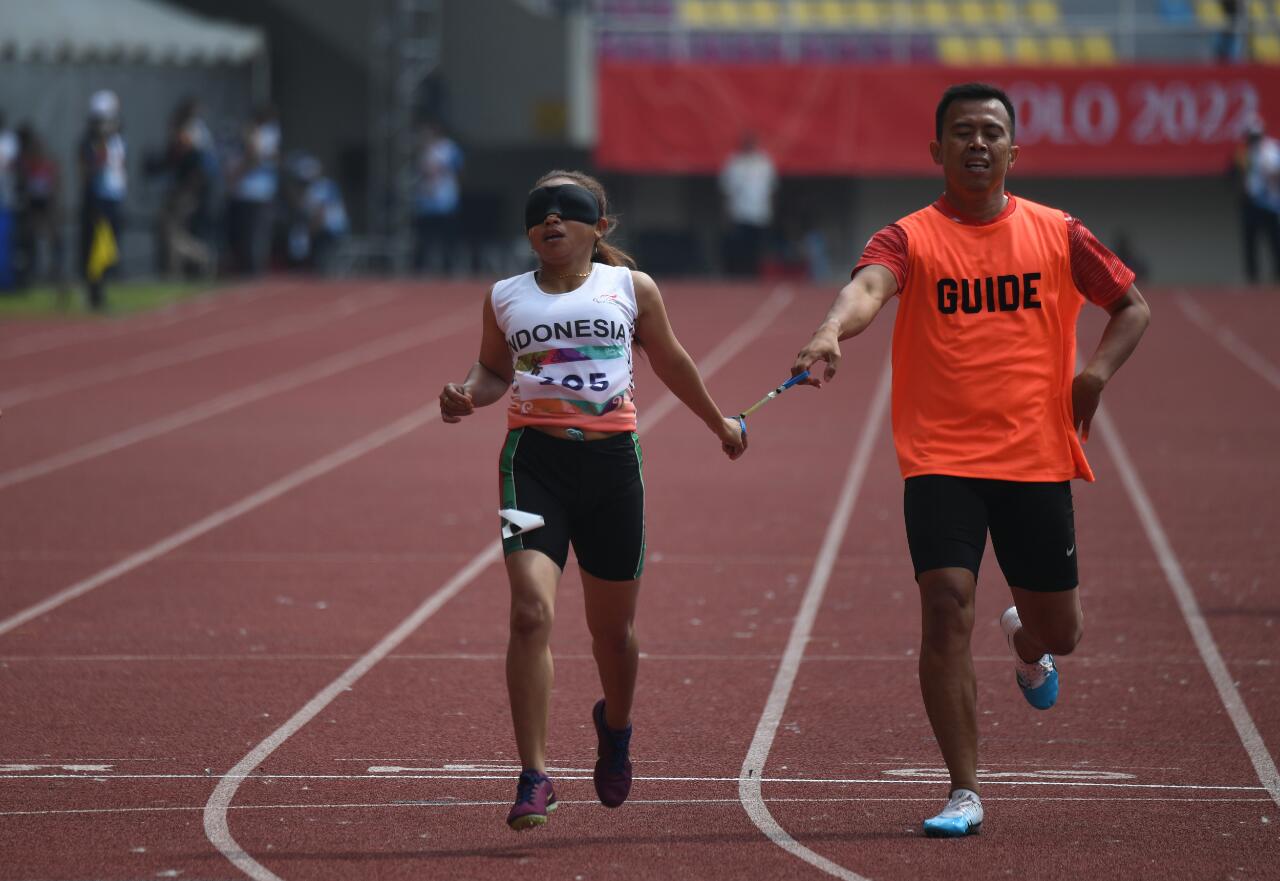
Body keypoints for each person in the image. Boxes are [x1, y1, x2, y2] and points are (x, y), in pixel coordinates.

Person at [791, 83, 1150, 838]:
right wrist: (830, 330)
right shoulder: (910, 236)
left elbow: (1132, 306)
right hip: (940, 457)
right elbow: (867, 287)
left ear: (1014, 150)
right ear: (937, 151)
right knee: (945, 604)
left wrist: (1094, 375)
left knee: (1064, 630)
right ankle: (963, 788)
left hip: (1035, 455)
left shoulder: (1058, 232)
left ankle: (1027, 642)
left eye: (991, 131)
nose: (977, 143)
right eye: (962, 132)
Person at [439, 170, 747, 831]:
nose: (551, 218)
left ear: (599, 227)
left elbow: (669, 359)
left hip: (612, 468)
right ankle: (534, 773)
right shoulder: (505, 296)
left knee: (614, 634)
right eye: (538, 209)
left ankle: (615, 727)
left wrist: (718, 420)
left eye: (568, 208)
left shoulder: (630, 289)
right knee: (529, 613)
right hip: (533, 465)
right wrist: (467, 393)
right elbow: (494, 371)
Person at [78, 90, 127, 311]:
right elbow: (86, 172)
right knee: (96, 247)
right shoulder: (90, 144)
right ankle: (94, 293)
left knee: (109, 248)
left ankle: (101, 289)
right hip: (97, 200)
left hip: (113, 199)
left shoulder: (117, 141)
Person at [719, 131, 776, 277]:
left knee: (757, 248)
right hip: (740, 212)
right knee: (739, 247)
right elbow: (727, 191)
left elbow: (770, 189)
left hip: (759, 213)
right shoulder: (734, 163)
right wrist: (727, 213)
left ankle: (755, 275)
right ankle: (738, 274)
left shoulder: (764, 162)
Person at [411, 120, 464, 274]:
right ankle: (419, 269)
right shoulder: (423, 149)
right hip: (425, 201)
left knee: (447, 239)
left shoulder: (447, 148)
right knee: (423, 238)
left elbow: (457, 167)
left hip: (445, 200)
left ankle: (449, 268)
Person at [1236, 116, 1280, 284]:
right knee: (1249, 239)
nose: (1252, 139)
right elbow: (1237, 173)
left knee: (1273, 239)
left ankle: (1277, 273)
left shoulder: (1270, 149)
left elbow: (1275, 170)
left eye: (1254, 136)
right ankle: (1252, 275)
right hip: (1250, 202)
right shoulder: (1244, 152)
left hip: (1268, 202)